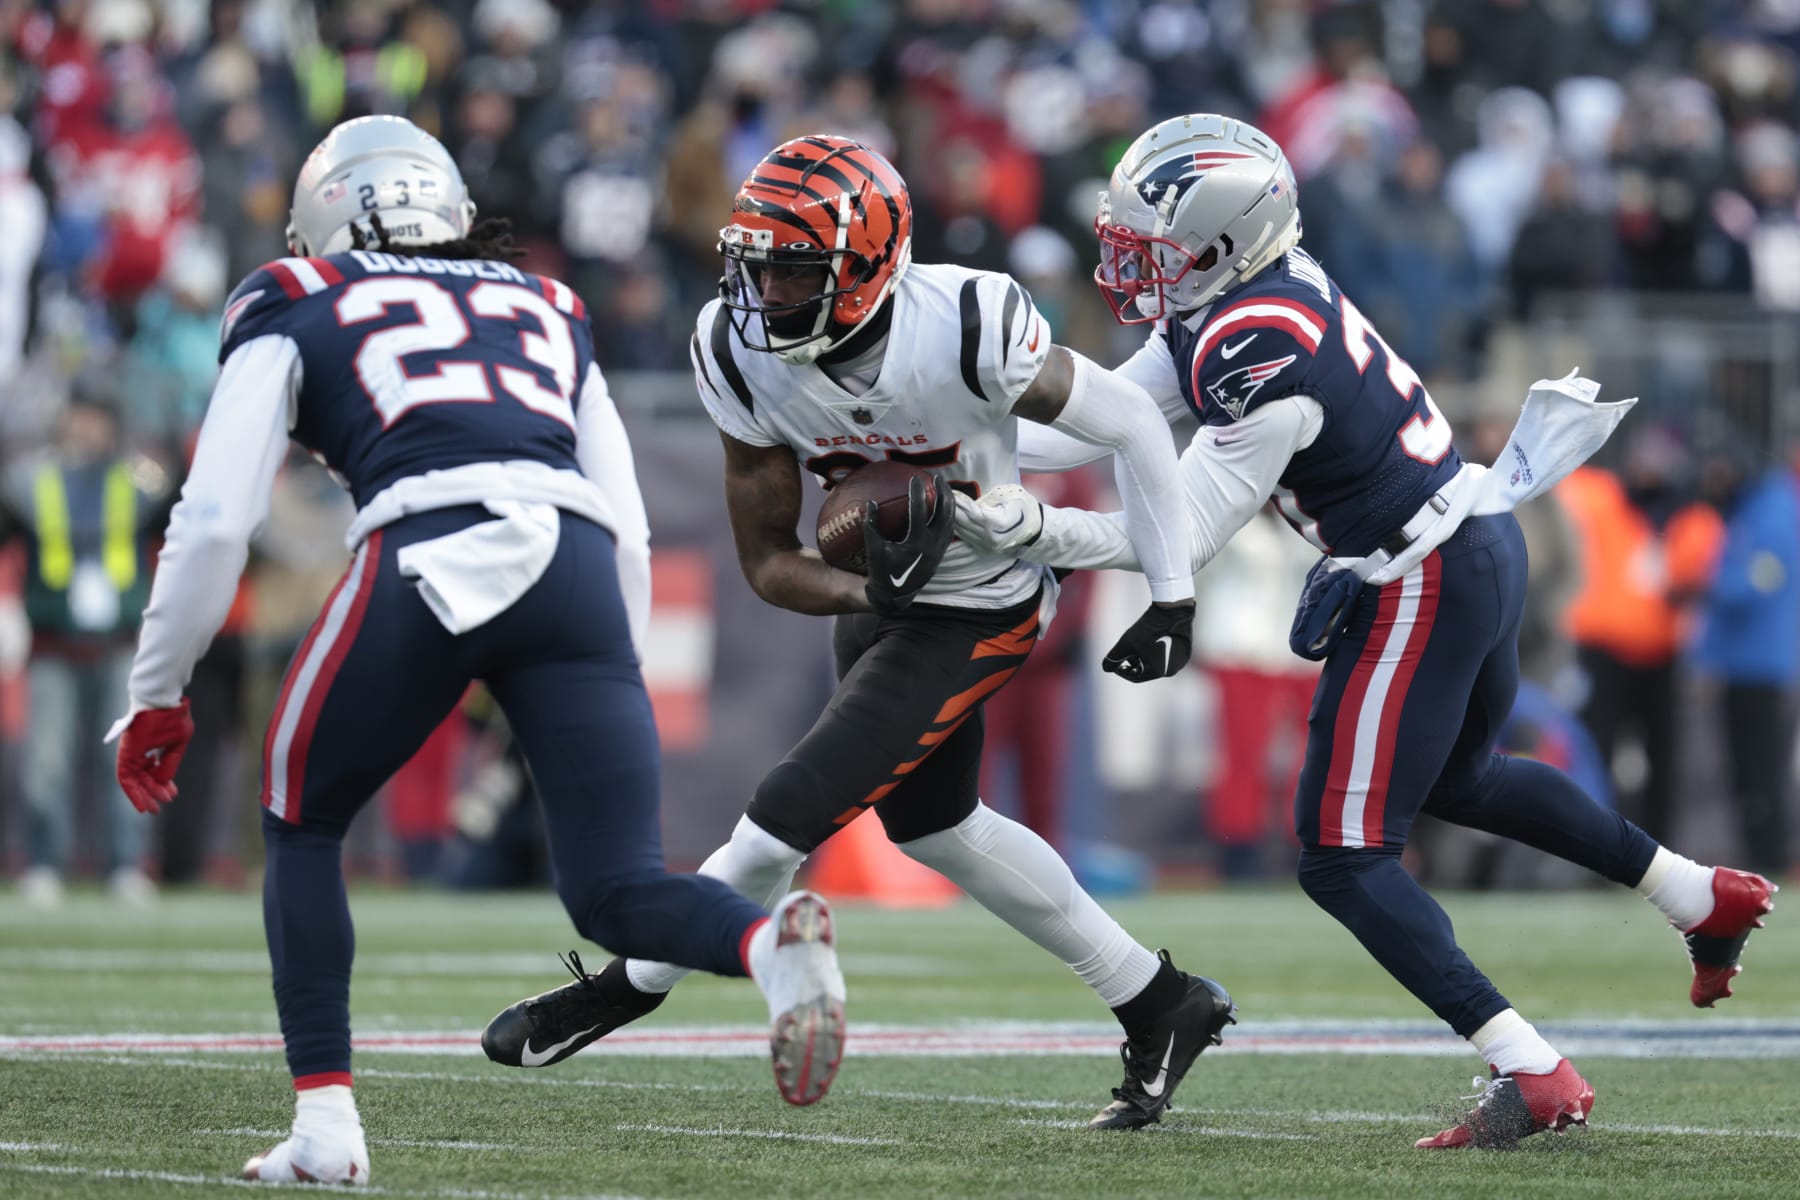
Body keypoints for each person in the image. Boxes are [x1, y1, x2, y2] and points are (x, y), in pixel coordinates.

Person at [955, 113, 1777, 1149]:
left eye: (1149, 248)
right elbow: (1116, 408)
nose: (1127, 265)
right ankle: (1699, 895)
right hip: (1469, 539)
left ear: (1217, 245)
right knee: (1460, 779)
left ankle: (1532, 1069)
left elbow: (1182, 531)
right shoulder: (1238, 292)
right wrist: (958, 432)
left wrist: (1025, 528)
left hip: (1419, 573)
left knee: (1342, 856)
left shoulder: (1259, 348)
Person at [107, 116, 847, 1187]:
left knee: (300, 815)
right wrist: (606, 675)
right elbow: (628, 521)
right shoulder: (545, 299)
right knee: (618, 885)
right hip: (579, 568)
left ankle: (325, 1127)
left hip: (427, 542)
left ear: (326, 217)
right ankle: (771, 949)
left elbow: (216, 515)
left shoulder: (293, 294)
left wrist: (156, 691)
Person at [482, 134, 1235, 1132]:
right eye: (753, 264)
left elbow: (1136, 425)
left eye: (793, 268)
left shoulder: (967, 322)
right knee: (938, 827)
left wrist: (1171, 594)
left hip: (984, 604)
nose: (764, 291)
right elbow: (766, 560)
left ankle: (625, 988)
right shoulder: (733, 351)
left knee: (784, 813)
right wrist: (862, 586)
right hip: (886, 601)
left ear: (870, 265)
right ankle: (1160, 1002)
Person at [2, 386, 173, 906]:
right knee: (46, 761)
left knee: (123, 759)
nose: (84, 430)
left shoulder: (138, 480)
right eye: (77, 419)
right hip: (54, 640)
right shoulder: (32, 481)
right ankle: (43, 862)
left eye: (94, 419)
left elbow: (174, 501)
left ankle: (127, 863)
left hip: (120, 639)